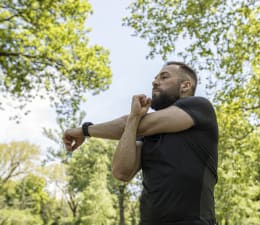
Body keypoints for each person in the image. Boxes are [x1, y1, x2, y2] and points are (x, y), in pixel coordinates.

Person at [63, 61, 219, 225]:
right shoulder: (145, 133)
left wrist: (84, 130)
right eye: (155, 77)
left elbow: (126, 125)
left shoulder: (200, 107)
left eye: (164, 77)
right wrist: (133, 118)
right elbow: (121, 172)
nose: (155, 81)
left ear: (185, 85)